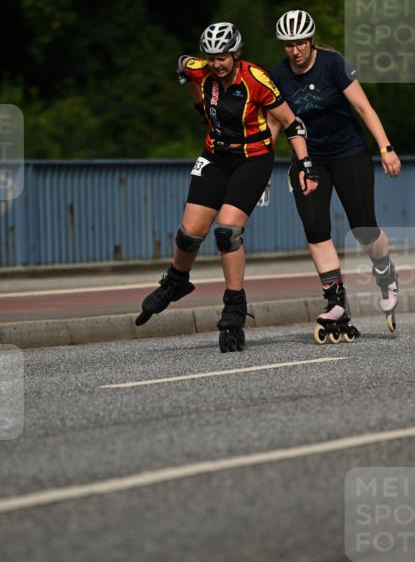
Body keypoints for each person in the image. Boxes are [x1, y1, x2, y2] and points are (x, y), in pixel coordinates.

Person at [135, 21, 318, 352]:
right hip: (215, 156)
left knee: (226, 233)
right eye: (211, 58)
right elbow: (183, 66)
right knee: (188, 235)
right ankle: (176, 281)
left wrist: (305, 165)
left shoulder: (256, 80)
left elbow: (293, 123)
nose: (216, 64)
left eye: (222, 57)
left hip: (253, 159)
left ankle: (234, 308)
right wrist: (200, 108)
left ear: (236, 53)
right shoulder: (200, 68)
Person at [268, 9, 402, 340]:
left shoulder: (333, 65)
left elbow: (363, 108)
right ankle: (336, 300)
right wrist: (260, 169)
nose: (295, 50)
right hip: (308, 160)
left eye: (300, 42)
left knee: (364, 228)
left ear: (311, 41)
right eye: (288, 44)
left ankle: (384, 270)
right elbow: (273, 124)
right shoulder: (278, 76)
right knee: (315, 227)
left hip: (348, 153)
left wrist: (385, 148)